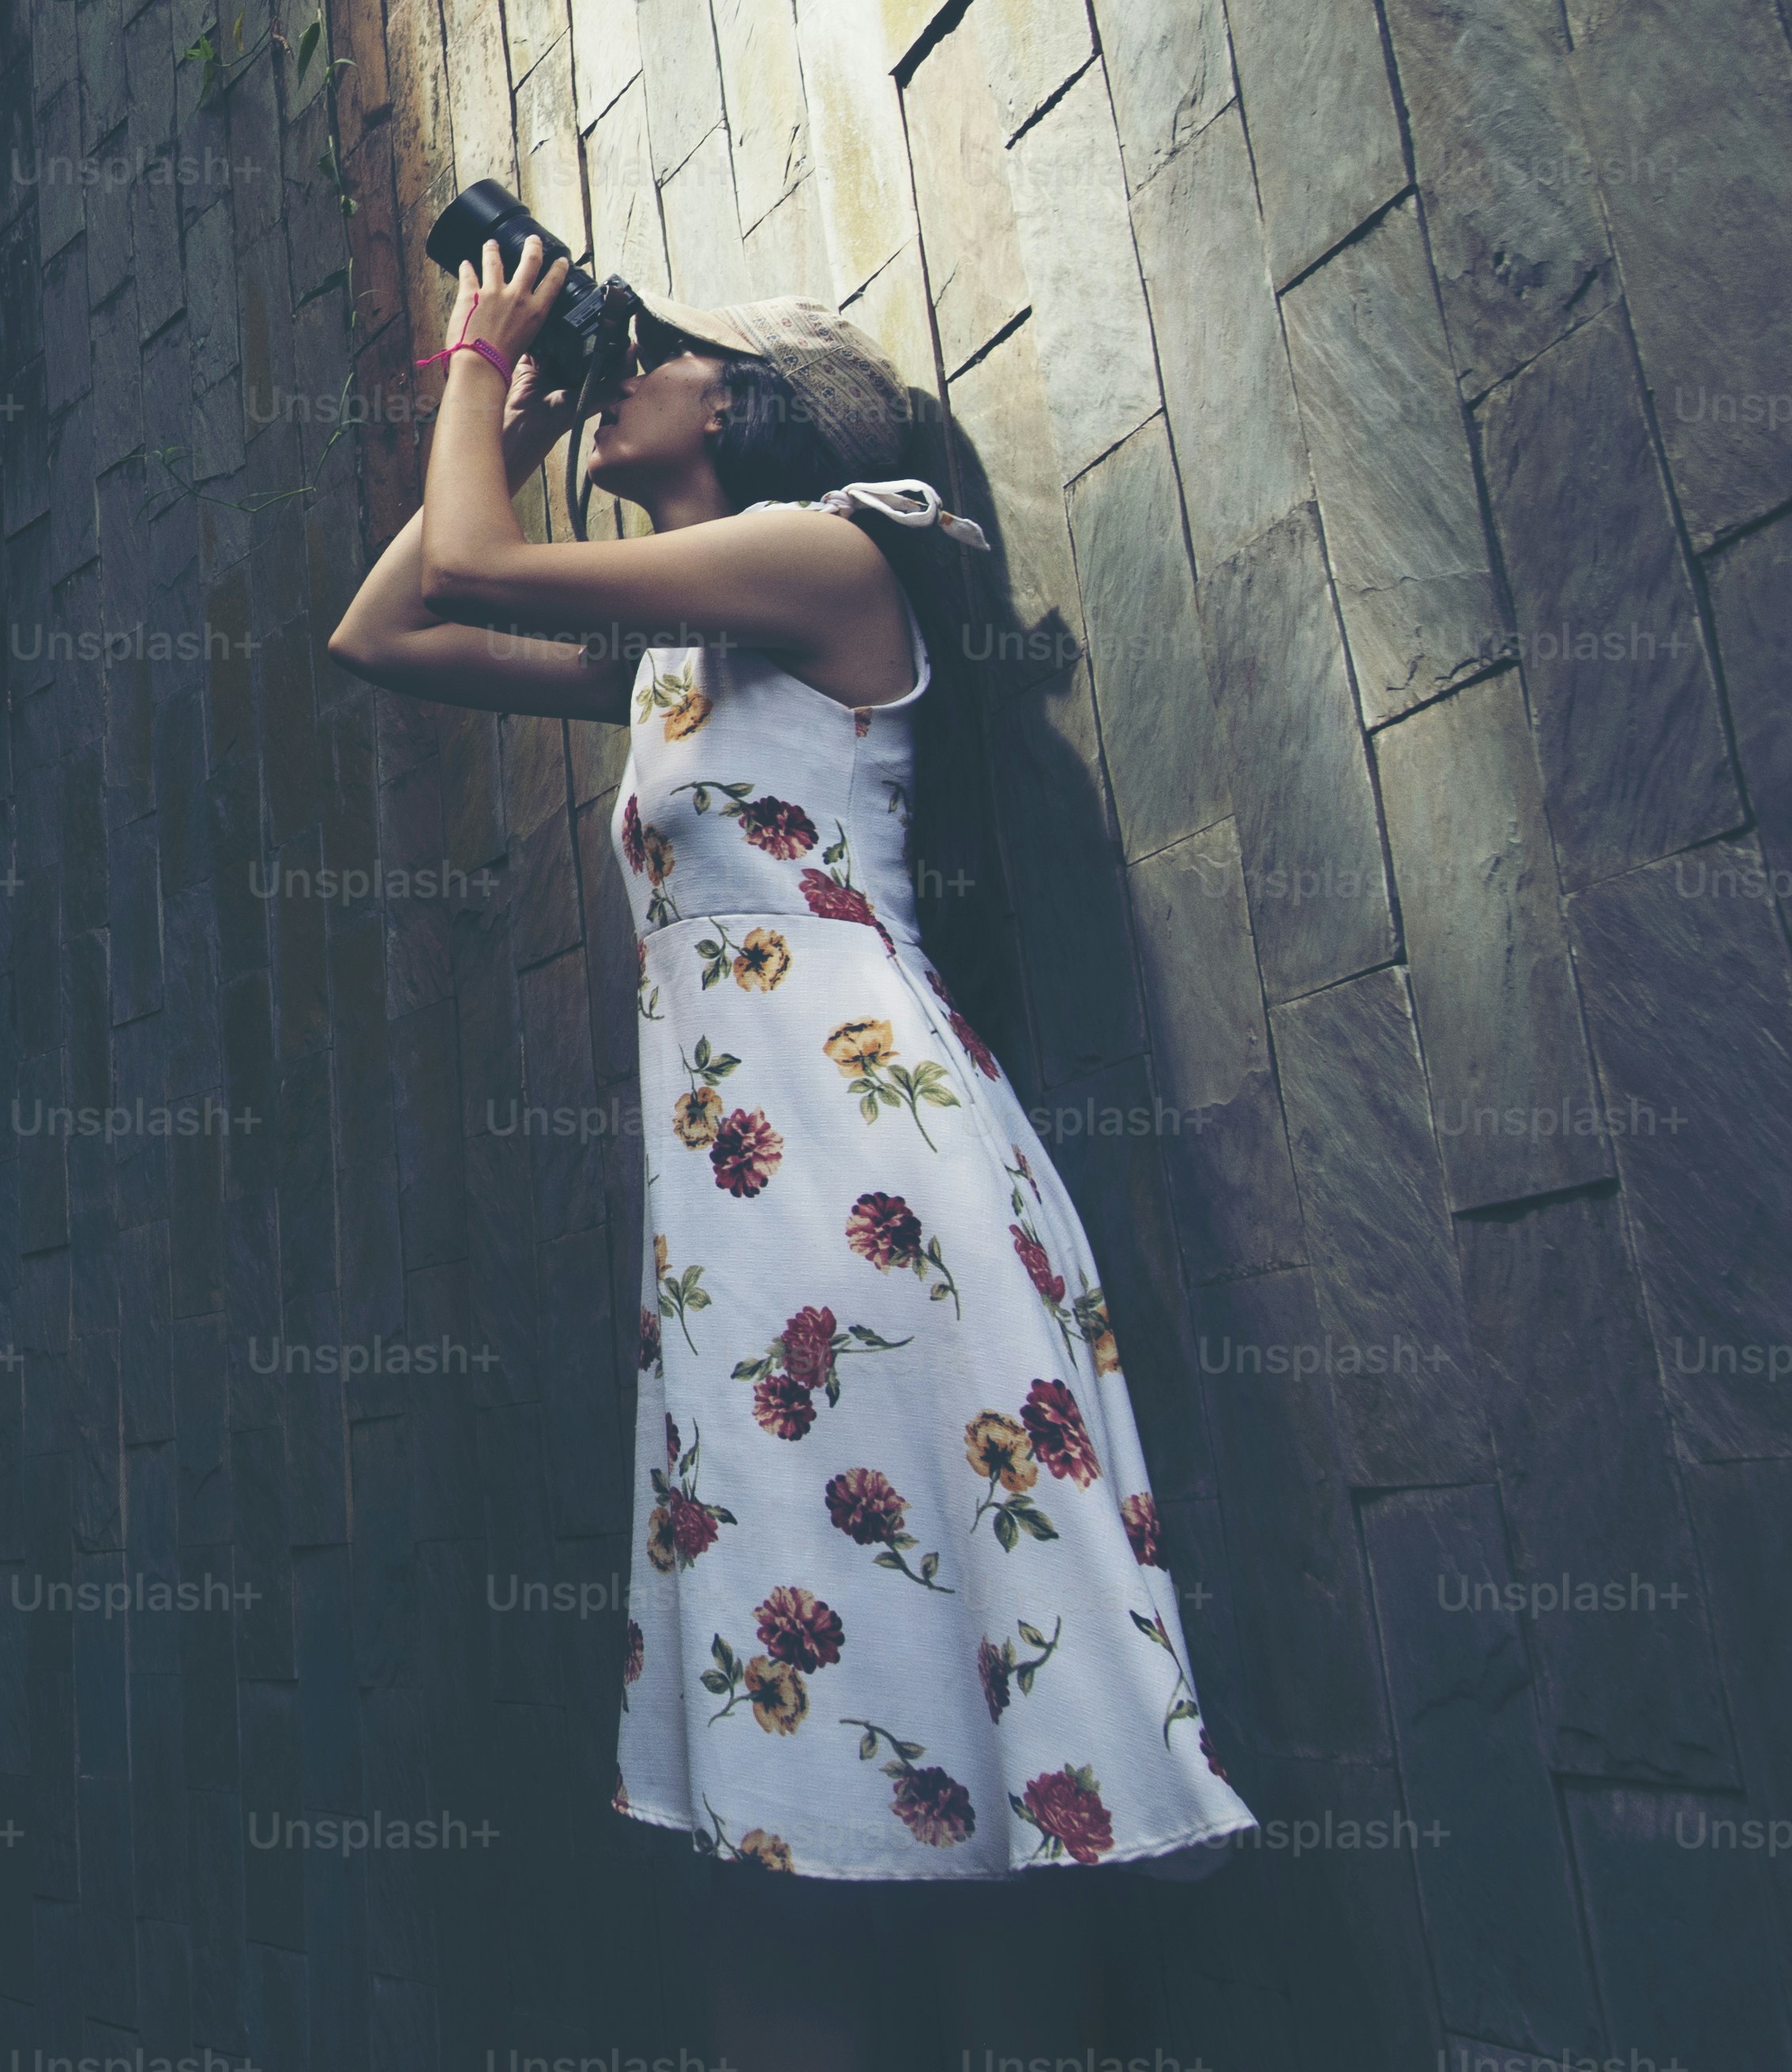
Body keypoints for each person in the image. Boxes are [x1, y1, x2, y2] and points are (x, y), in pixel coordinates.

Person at [327, 237, 1253, 2070]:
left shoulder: (821, 554)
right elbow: (386, 630)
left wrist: (468, 357)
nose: (615, 374)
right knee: (805, 1686)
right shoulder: (683, 655)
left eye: (645, 352)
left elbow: (473, 564)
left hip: (859, 1174)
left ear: (735, 399)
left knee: (964, 1665)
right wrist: (499, 412)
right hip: (747, 1221)